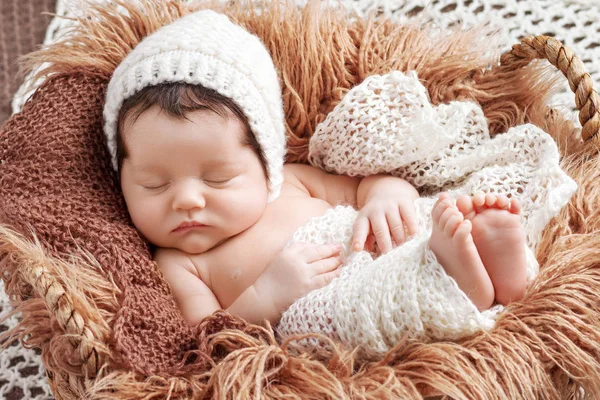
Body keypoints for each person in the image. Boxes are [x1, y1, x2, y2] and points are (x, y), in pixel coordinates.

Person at [102, 9, 529, 328]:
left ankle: (494, 263)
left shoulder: (292, 181)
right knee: (372, 305)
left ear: (265, 161)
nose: (188, 199)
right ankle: (464, 283)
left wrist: (383, 197)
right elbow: (209, 338)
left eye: (218, 178)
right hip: (336, 308)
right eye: (154, 185)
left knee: (424, 219)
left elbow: (362, 186)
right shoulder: (178, 264)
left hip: (387, 244)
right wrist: (265, 295)